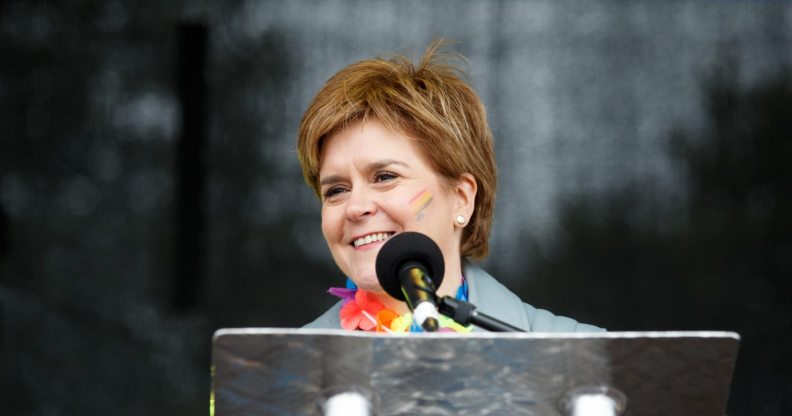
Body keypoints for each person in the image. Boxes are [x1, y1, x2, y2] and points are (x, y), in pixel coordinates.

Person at [297, 41, 603, 333]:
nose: (355, 207)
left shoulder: (585, 355)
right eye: (336, 190)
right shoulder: (288, 368)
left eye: (384, 177)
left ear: (461, 198)